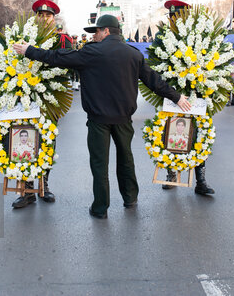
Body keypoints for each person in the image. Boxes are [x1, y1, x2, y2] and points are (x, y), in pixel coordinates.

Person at [13, 14, 192, 218]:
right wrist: (177, 97)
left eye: (96, 31)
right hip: (124, 119)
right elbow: (154, 81)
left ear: (106, 31)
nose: (94, 36)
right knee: (126, 159)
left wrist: (30, 51)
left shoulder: (91, 53)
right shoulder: (133, 55)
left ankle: (100, 208)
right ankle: (130, 198)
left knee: (99, 164)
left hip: (98, 120)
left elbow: (57, 58)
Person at [10, 0, 67, 209]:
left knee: (47, 142)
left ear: (54, 18)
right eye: (41, 16)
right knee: (25, 140)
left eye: (48, 16)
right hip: (25, 99)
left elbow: (68, 65)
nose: (44, 19)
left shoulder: (62, 40)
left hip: (50, 101)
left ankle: (44, 185)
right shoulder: (23, 38)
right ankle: (26, 190)